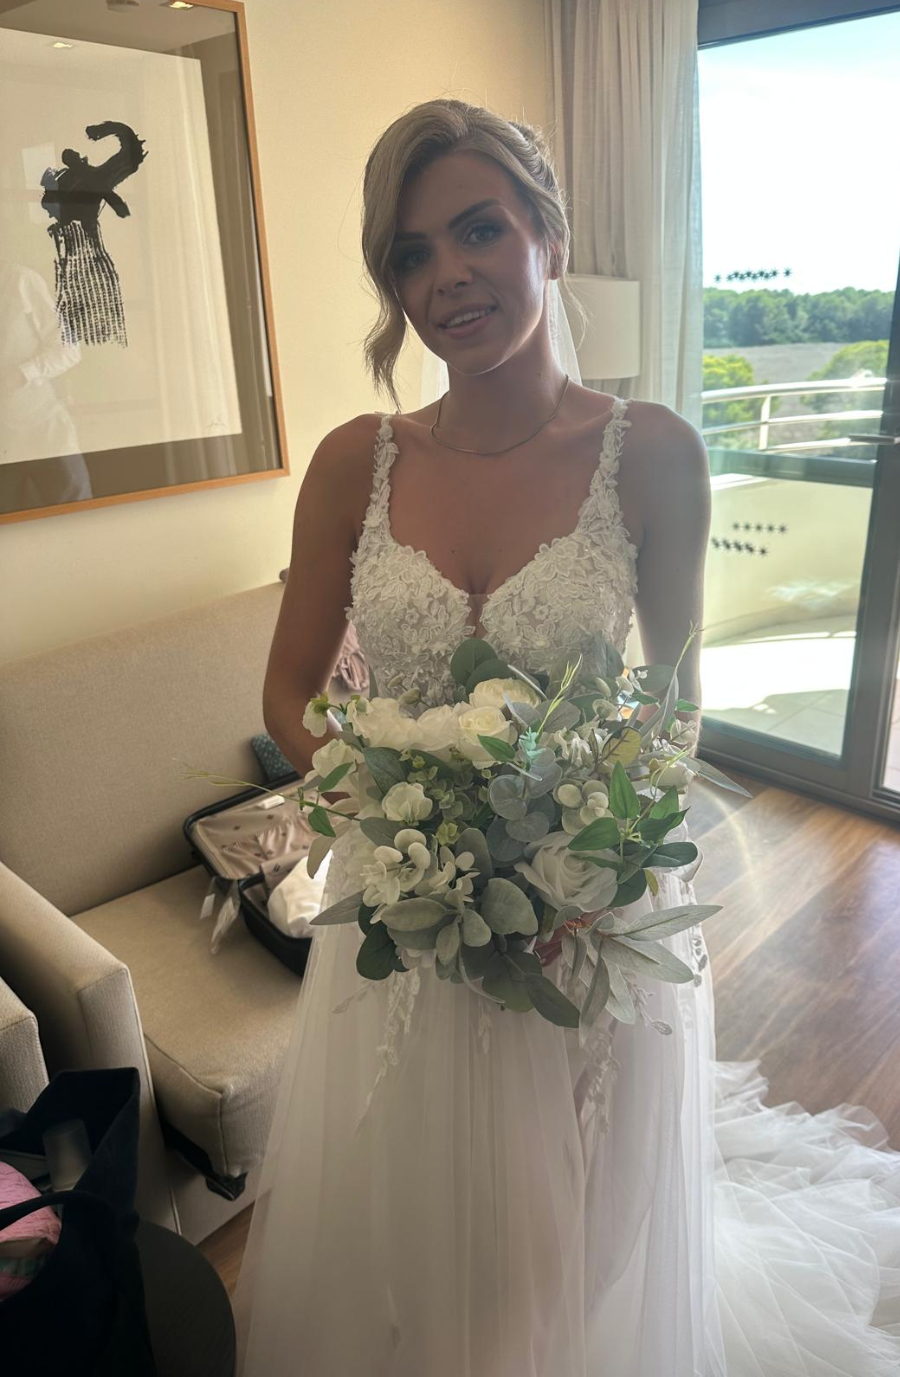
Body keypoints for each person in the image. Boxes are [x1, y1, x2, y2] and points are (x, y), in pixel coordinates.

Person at [232, 99, 900, 1376]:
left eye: (478, 229)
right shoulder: (349, 464)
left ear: (546, 232)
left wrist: (584, 854)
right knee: (426, 1206)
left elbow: (676, 702)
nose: (448, 276)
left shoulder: (651, 454)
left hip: (586, 915)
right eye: (411, 255)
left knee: (575, 1218)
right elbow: (287, 700)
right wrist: (395, 812)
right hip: (408, 911)